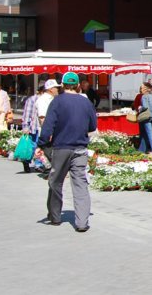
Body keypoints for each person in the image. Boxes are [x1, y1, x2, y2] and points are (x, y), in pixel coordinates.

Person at [38, 72, 97, 232]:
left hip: (61, 147)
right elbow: (92, 126)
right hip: (80, 149)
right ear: (78, 85)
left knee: (55, 181)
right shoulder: (86, 103)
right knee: (80, 185)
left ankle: (55, 217)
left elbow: (47, 127)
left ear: (62, 85)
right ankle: (82, 223)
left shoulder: (57, 102)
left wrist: (42, 144)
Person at [20, 83, 43, 173]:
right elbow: (27, 114)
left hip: (42, 127)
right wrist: (25, 126)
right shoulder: (32, 100)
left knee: (40, 146)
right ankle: (27, 161)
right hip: (34, 127)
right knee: (33, 146)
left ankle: (38, 164)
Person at [137, 82, 152, 155]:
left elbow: (145, 106)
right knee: (145, 134)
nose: (141, 89)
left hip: (148, 117)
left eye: (142, 88)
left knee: (150, 134)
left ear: (146, 89)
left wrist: (140, 108)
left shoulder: (144, 96)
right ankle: (141, 151)